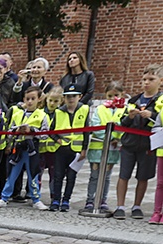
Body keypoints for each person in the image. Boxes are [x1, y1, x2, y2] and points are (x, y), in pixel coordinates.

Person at [112, 64, 161, 220]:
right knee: (123, 174)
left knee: (143, 176)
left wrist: (151, 115)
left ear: (160, 81)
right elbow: (122, 123)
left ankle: (137, 206)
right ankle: (120, 206)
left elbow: (159, 124)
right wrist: (131, 116)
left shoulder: (160, 101)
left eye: (151, 79)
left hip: (148, 144)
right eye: (144, 79)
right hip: (129, 144)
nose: (146, 82)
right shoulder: (133, 100)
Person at [0, 86, 50, 210]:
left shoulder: (42, 115)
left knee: (33, 175)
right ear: (24, 99)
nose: (29, 101)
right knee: (12, 174)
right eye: (27, 98)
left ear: (39, 99)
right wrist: (17, 130)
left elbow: (45, 135)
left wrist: (32, 130)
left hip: (32, 150)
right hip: (18, 149)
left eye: (33, 98)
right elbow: (9, 130)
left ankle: (36, 199)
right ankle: (4, 198)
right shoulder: (17, 114)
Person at [84, 81, 125, 213]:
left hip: (113, 148)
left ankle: (102, 199)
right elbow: (96, 125)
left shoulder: (124, 109)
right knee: (94, 174)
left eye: (116, 95)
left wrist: (115, 137)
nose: (113, 99)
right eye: (109, 96)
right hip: (98, 146)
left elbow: (123, 125)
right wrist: (106, 136)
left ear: (121, 95)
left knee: (107, 176)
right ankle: (90, 199)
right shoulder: (100, 109)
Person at [49, 85, 89, 212]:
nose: (71, 99)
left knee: (71, 177)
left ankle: (66, 200)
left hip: (76, 150)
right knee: (58, 176)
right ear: (64, 98)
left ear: (79, 97)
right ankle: (56, 200)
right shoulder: (58, 112)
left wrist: (84, 149)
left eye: (74, 96)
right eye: (68, 96)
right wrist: (57, 140)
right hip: (62, 150)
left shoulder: (84, 110)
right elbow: (51, 131)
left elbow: (87, 132)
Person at [39, 86, 64, 202]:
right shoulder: (40, 113)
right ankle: (35, 195)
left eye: (56, 101)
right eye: (50, 100)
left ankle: (54, 196)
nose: (52, 103)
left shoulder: (61, 114)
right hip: (41, 149)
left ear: (61, 101)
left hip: (55, 149)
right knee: (37, 173)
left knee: (54, 175)